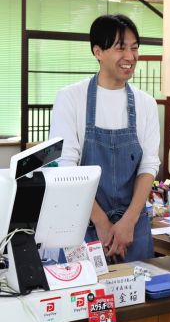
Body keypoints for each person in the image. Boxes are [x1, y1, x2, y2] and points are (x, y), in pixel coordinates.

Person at [50, 14, 160, 263]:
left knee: (141, 301)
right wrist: (101, 222)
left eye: (134, 48)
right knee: (86, 300)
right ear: (97, 51)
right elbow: (66, 167)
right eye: (121, 48)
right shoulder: (70, 99)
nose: (130, 57)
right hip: (84, 227)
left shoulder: (146, 104)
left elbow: (148, 165)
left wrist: (128, 222)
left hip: (133, 229)